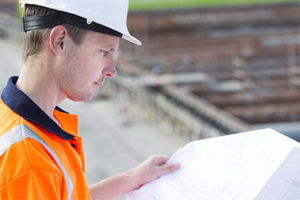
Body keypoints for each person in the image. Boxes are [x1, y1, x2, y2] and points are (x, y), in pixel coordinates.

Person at [0, 0, 180, 199]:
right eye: (104, 52)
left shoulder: (20, 122)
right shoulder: (30, 163)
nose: (112, 71)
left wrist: (132, 178)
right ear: (60, 41)